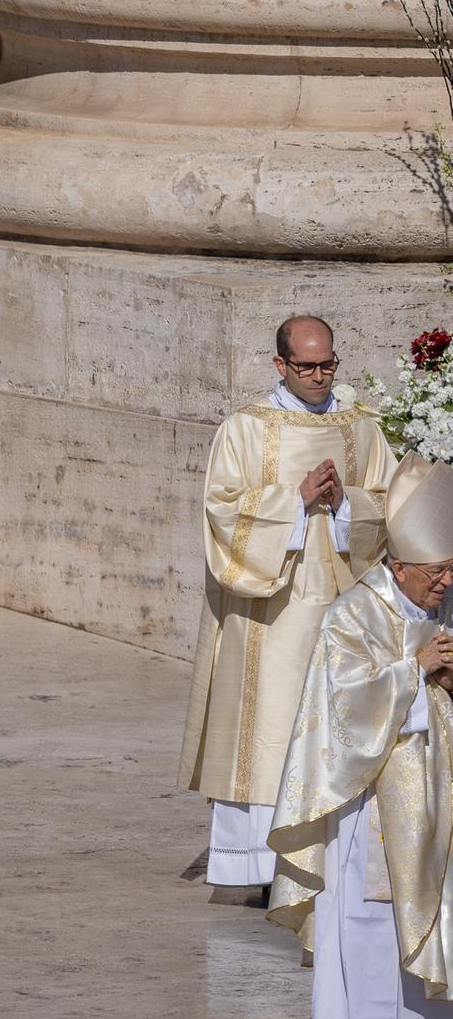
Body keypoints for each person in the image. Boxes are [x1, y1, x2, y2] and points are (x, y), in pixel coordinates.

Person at [180, 315, 396, 896]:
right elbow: (222, 510)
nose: (320, 375)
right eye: (307, 365)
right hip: (271, 610)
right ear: (280, 365)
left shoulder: (361, 429)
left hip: (342, 597)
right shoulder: (245, 429)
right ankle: (258, 868)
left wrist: (345, 504)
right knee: (270, 721)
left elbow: (389, 503)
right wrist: (295, 504)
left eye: (329, 363)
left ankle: (332, 861)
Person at [267, 451, 453, 1017]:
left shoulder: (447, 609)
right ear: (399, 566)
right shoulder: (350, 616)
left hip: (440, 803)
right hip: (371, 809)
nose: (446, 583)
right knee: (372, 929)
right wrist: (416, 674)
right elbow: (340, 715)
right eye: (435, 572)